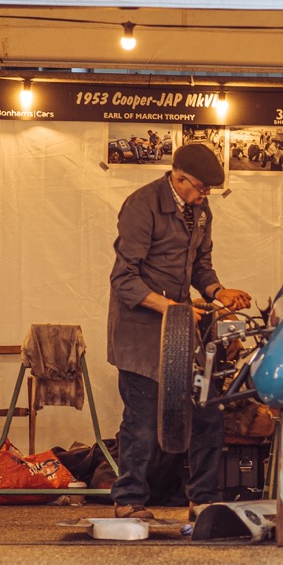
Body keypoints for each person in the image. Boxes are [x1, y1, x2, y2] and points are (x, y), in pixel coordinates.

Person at [107, 142, 252, 519]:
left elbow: (201, 266)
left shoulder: (200, 211)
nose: (205, 196)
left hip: (181, 329)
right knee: (142, 419)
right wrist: (171, 309)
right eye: (201, 188)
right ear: (179, 177)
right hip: (141, 331)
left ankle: (202, 500)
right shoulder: (142, 205)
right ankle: (128, 500)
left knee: (206, 411)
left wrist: (219, 291)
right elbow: (124, 279)